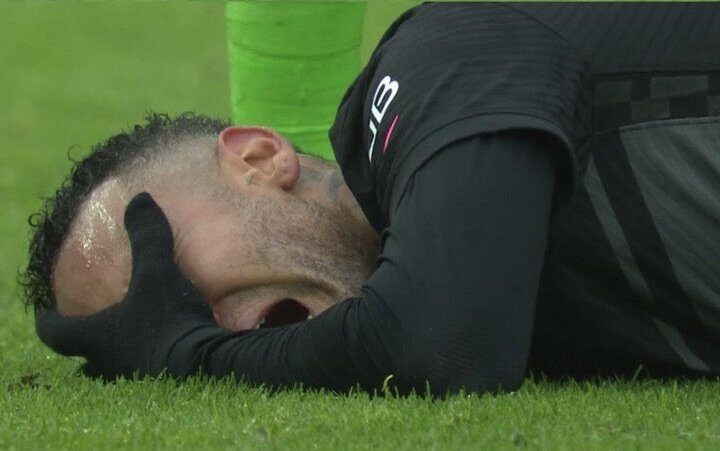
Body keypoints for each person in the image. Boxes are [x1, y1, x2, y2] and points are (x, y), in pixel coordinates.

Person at [26, 3, 720, 395]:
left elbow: (441, 348)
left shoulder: (432, 63)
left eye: (165, 274)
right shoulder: (511, 309)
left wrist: (190, 357)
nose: (191, 317)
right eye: (150, 327)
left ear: (259, 159)